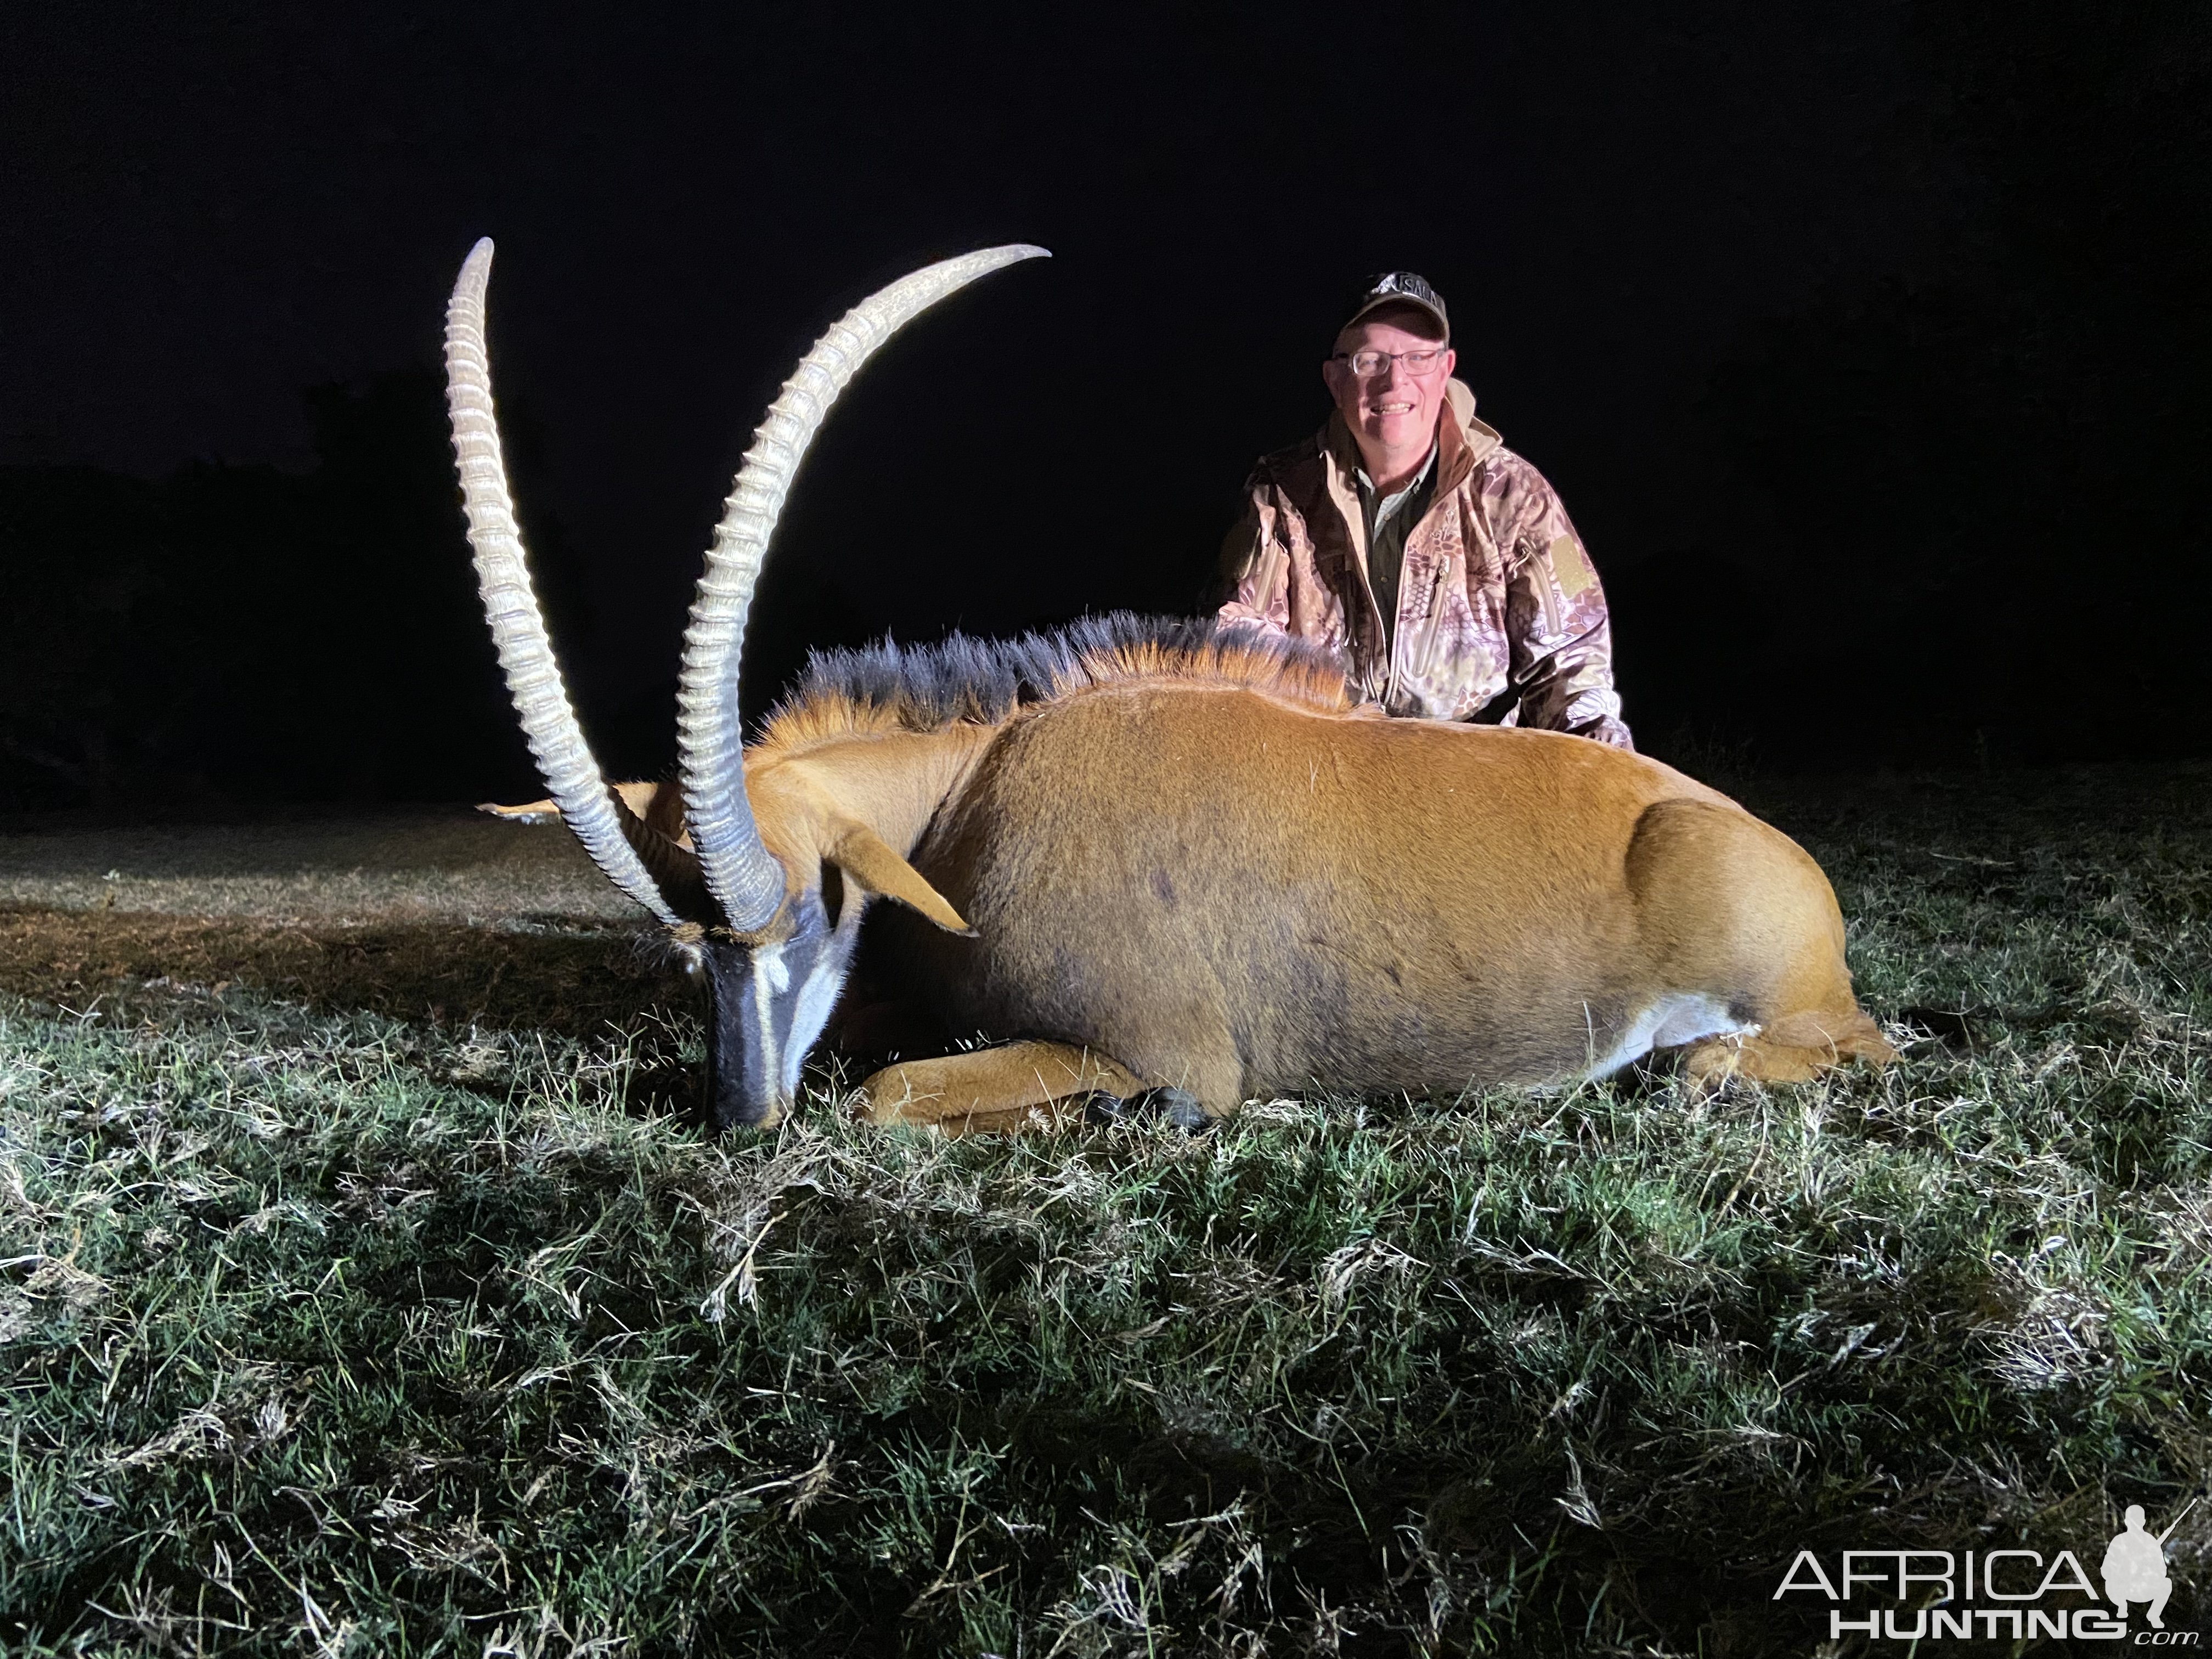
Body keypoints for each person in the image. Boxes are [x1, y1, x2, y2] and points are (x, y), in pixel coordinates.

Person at [1218, 272, 1632, 748]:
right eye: (1370, 360)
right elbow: (1242, 637)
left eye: (1418, 358)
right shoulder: (1279, 492)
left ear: (1445, 369)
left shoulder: (1519, 497)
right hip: (1327, 765)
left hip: (1475, 771)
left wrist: (1601, 760)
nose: (1395, 381)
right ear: (1335, 380)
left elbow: (1573, 663)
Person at [2102, 1505, 2173, 1628]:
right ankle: (2122, 1607)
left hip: (2144, 1589)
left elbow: (2163, 1571)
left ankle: (2154, 1615)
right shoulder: (2119, 1541)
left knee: (2167, 1584)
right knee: (2110, 1583)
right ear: (2126, 1522)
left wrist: (2148, 1567)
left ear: (2143, 1522)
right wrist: (2123, 1571)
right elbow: (2106, 1569)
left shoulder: (2151, 1542)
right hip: (2123, 1589)